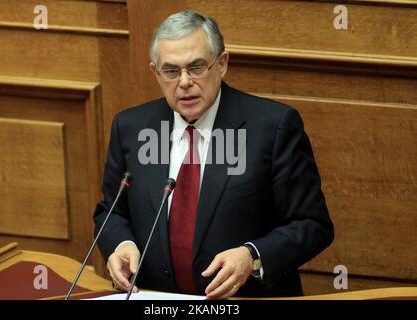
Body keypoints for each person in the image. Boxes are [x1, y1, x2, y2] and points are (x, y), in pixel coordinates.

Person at [93, 9, 334, 299]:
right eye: (171, 70)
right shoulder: (131, 127)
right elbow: (111, 211)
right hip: (154, 299)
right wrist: (120, 244)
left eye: (196, 67)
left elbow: (312, 224)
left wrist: (252, 256)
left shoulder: (273, 127)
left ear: (221, 64)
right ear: (155, 73)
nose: (184, 82)